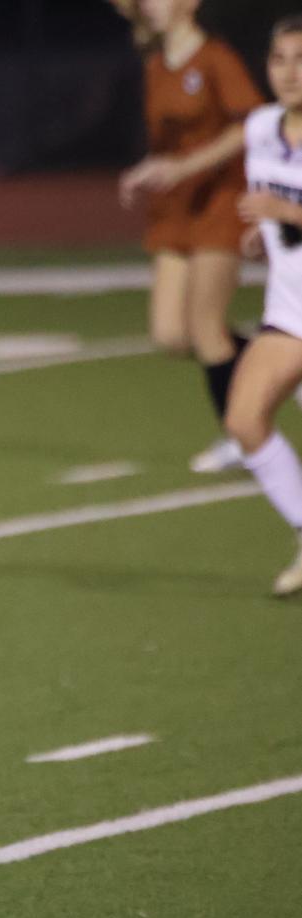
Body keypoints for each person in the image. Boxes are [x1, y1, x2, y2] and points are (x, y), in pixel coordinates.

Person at [111, 0, 263, 473]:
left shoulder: (216, 58)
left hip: (220, 202)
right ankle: (280, 362)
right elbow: (168, 149)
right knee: (171, 335)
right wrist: (148, 171)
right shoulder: (157, 66)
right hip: (175, 210)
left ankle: (243, 436)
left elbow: (250, 125)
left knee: (206, 328)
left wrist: (186, 167)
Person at [223, 16, 302, 596]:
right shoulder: (261, 129)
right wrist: (263, 235)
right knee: (244, 420)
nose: (290, 72)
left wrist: (287, 214)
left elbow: (285, 207)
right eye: (279, 60)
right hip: (290, 311)